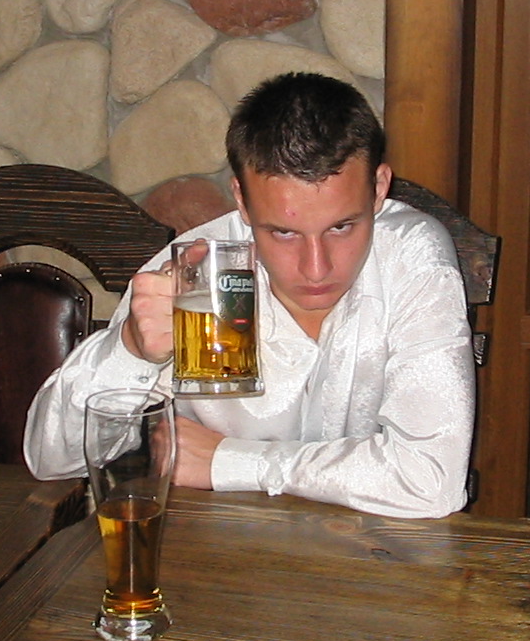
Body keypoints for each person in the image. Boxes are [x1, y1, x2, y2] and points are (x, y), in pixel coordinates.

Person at [23, 72, 475, 518]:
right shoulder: (195, 273)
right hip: (213, 547)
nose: (316, 268)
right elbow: (53, 460)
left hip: (371, 551)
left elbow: (432, 481)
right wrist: (130, 352)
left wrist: (228, 461)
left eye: (341, 227)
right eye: (283, 232)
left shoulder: (411, 256)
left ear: (378, 188)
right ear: (240, 198)